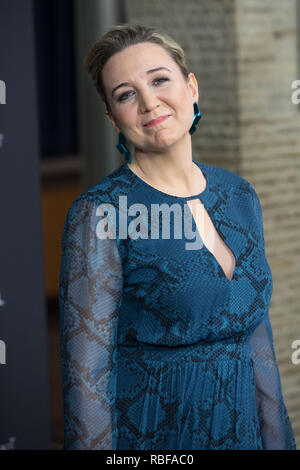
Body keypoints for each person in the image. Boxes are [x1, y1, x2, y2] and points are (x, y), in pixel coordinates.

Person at [59, 23, 297, 450]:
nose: (149, 102)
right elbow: (86, 381)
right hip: (156, 438)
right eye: (126, 94)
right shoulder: (102, 213)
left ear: (191, 87)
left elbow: (257, 341)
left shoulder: (240, 194)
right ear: (113, 118)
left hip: (242, 435)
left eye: (159, 80)